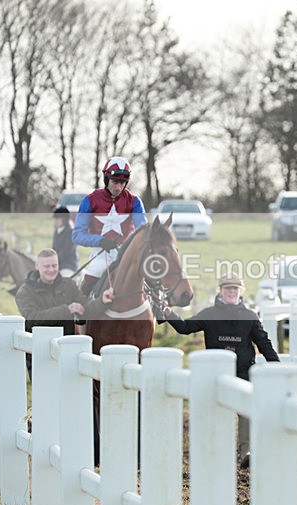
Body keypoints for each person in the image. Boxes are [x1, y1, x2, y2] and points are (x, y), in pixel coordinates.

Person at [161, 272, 280, 468]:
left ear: (240, 291)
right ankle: (213, 452)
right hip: (215, 375)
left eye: (235, 288)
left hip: (243, 373)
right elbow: (185, 328)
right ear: (221, 291)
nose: (231, 292)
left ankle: (245, 452)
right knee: (214, 413)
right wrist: (168, 314)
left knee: (246, 411)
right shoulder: (209, 314)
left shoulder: (250, 316)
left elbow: (264, 344)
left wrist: (277, 369)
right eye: (227, 288)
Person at [15, 248, 114, 377]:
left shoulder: (69, 285)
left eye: (54, 265)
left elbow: (85, 309)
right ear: (37, 266)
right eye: (47, 266)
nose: (51, 270)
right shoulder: (24, 292)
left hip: (68, 350)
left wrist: (102, 300)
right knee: (47, 396)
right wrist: (66, 310)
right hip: (39, 354)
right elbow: (32, 319)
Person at [72, 156, 147, 295]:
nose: (119, 187)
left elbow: (143, 230)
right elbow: (77, 235)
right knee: (94, 271)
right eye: (115, 182)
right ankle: (80, 312)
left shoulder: (135, 202)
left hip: (127, 254)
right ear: (106, 179)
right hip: (101, 254)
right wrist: (100, 241)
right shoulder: (89, 201)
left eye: (123, 183)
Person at [52, 206, 79, 277]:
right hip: (57, 265)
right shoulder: (56, 232)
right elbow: (53, 249)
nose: (55, 222)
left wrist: (54, 261)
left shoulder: (71, 232)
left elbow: (66, 251)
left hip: (68, 265)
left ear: (64, 220)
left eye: (57, 219)